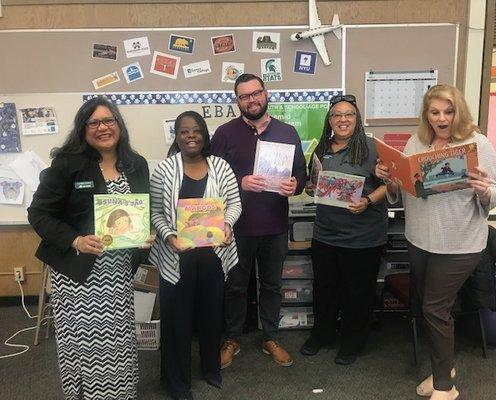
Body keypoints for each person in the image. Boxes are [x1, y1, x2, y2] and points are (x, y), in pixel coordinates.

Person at [376, 84, 496, 400]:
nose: (442, 118)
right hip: (420, 239)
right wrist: (391, 180)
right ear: (426, 114)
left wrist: (485, 190)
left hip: (460, 243)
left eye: (448, 111)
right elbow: (404, 190)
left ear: (458, 111)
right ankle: (443, 370)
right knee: (426, 307)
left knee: (434, 309)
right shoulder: (416, 141)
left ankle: (446, 386)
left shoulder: (478, 143)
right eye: (435, 112)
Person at [27, 96, 150, 399]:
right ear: (83, 129)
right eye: (93, 122)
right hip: (78, 275)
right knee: (87, 345)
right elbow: (38, 214)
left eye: (109, 120)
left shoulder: (136, 164)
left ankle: (119, 393)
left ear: (118, 124)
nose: (103, 127)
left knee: (118, 342)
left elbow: (143, 209)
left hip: (118, 274)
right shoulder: (68, 165)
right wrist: (75, 240)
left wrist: (144, 235)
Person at [211, 73, 307, 368]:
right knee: (236, 286)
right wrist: (241, 182)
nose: (251, 100)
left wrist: (295, 185)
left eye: (256, 93)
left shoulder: (287, 132)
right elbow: (212, 179)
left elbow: (301, 175)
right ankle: (232, 339)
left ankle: (270, 337)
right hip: (236, 228)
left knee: (272, 285)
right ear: (237, 101)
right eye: (244, 96)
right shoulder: (225, 134)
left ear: (266, 94)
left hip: (275, 225)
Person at [149, 111, 242, 400]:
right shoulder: (164, 170)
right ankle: (176, 382)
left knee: (212, 317)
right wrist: (169, 236)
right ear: (177, 137)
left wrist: (227, 225)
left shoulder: (221, 167)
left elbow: (235, 204)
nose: (191, 136)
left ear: (204, 135)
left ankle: (211, 369)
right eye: (184, 132)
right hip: (176, 259)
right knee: (177, 322)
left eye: (196, 131)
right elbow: (154, 213)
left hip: (214, 257)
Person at [299, 94, 387, 365]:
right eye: (337, 115)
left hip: (362, 238)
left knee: (357, 293)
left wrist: (369, 200)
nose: (343, 119)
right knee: (324, 290)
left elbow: (391, 185)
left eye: (348, 114)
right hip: (325, 235)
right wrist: (310, 187)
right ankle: (322, 335)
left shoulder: (372, 148)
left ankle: (352, 342)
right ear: (330, 120)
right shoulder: (321, 149)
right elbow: (310, 184)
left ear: (357, 119)